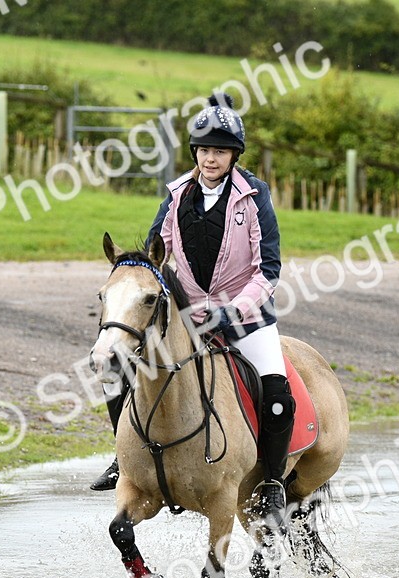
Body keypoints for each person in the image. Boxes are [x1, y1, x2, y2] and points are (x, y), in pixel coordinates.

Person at [90, 93, 295, 520]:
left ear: (234, 154)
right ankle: (124, 458)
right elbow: (153, 259)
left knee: (277, 393)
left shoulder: (254, 196)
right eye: (204, 150)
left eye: (219, 151)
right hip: (186, 317)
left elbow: (268, 270)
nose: (210, 158)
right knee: (119, 368)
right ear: (195, 152)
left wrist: (234, 310)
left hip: (245, 317)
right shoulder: (177, 194)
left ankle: (273, 482)